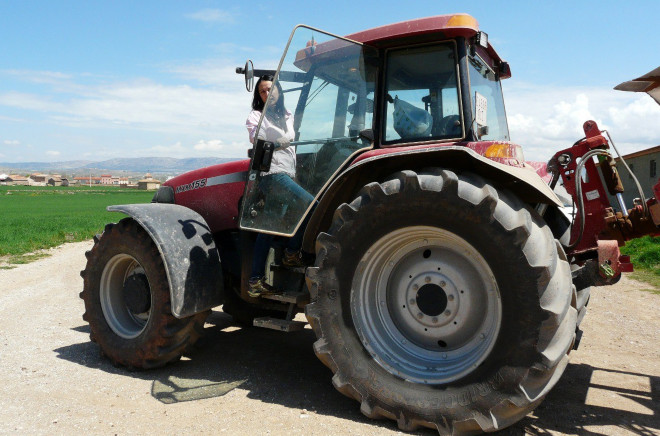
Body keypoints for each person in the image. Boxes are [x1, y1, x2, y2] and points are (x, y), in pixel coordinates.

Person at [245, 74, 314, 298]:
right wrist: (275, 144)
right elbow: (257, 141)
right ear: (259, 96)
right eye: (263, 91)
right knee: (311, 205)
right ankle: (292, 252)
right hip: (272, 174)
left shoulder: (287, 115)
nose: (267, 93)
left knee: (269, 228)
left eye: (270, 89)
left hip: (288, 172)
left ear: (279, 91)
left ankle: (255, 280)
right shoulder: (256, 116)